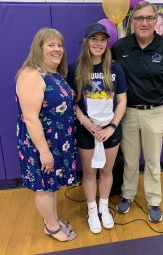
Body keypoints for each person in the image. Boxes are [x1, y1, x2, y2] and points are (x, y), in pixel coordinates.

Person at [111, 1, 163, 222]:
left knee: (153, 161)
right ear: (132, 22)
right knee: (131, 160)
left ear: (156, 21)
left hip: (156, 112)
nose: (144, 23)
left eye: (149, 18)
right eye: (139, 18)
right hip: (128, 113)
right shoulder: (120, 47)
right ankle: (128, 195)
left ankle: (153, 200)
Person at [16, 28, 77, 241]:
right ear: (39, 48)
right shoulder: (32, 74)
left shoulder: (55, 75)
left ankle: (52, 219)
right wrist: (44, 151)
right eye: (51, 45)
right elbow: (30, 118)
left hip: (58, 142)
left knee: (51, 185)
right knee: (43, 187)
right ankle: (51, 227)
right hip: (41, 145)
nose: (57, 49)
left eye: (60, 45)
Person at [67, 23, 127, 234]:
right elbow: (71, 102)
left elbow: (121, 101)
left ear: (106, 43)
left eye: (102, 40)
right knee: (90, 172)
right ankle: (92, 209)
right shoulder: (75, 68)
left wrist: (112, 126)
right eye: (94, 39)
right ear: (86, 42)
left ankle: (103, 207)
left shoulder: (116, 67)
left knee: (107, 170)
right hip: (87, 130)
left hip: (110, 130)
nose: (98, 44)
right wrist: (84, 121)